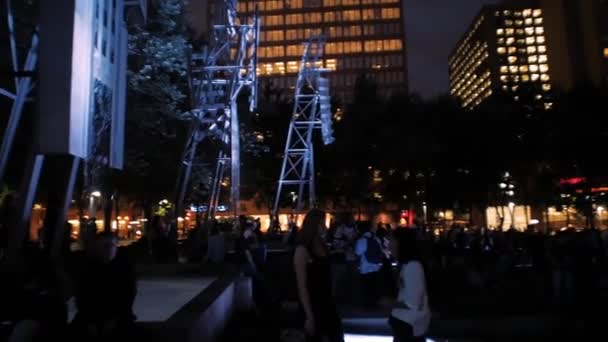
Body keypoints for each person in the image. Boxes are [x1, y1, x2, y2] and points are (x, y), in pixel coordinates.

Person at [294, 209, 344, 342]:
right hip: (313, 304)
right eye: (322, 223)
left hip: (328, 302)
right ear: (314, 224)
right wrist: (309, 316)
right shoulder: (302, 250)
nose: (325, 227)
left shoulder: (322, 245)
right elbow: (302, 286)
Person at [389, 230, 431, 342]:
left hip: (409, 325)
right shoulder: (406, 265)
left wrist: (388, 302)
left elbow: (412, 302)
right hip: (405, 323)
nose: (388, 245)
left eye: (391, 241)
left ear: (401, 244)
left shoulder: (413, 267)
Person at [355, 223, 383, 307]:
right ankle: (375, 303)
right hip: (376, 267)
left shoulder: (361, 240)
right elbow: (380, 251)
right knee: (374, 287)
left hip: (365, 268)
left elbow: (358, 252)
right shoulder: (376, 238)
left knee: (366, 288)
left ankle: (368, 305)